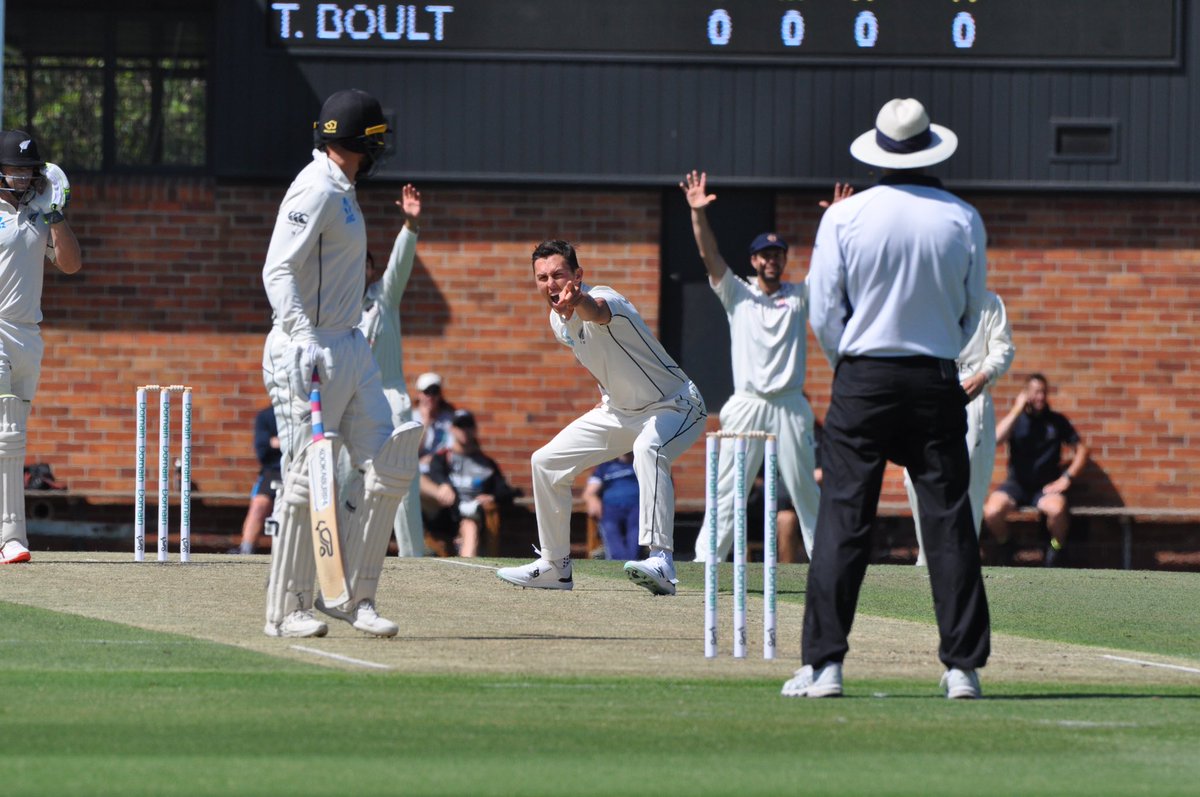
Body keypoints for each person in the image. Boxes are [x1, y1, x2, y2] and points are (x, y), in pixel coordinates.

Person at [786, 98, 990, 700]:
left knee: (844, 520)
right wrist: (938, 351)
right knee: (950, 522)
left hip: (864, 376)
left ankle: (824, 667)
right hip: (933, 375)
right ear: (929, 147)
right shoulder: (961, 217)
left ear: (878, 151)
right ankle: (962, 669)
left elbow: (824, 310)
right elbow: (973, 309)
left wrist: (850, 363)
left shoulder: (845, 218)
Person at [260, 88, 422, 638]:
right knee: (310, 476)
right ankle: (288, 606)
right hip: (310, 348)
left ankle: (354, 596)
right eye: (374, 140)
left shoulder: (343, 188)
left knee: (388, 464)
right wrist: (302, 335)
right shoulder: (316, 187)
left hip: (351, 345)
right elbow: (278, 269)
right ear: (358, 143)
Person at [496, 240, 706, 594]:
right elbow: (600, 358)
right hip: (620, 411)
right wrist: (607, 395)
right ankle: (555, 566)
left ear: (577, 276)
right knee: (545, 461)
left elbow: (597, 312)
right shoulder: (556, 321)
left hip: (676, 405)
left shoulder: (608, 299)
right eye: (542, 277)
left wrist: (579, 301)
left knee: (648, 449)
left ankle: (661, 561)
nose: (550, 283)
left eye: (559, 275)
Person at [680, 171, 821, 563]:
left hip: (790, 404)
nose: (772, 261)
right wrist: (697, 214)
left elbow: (828, 266)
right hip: (747, 403)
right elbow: (710, 256)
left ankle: (827, 564)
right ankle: (706, 563)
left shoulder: (798, 297)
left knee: (805, 489)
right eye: (765, 256)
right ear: (755, 261)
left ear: (783, 261)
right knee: (729, 489)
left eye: (778, 255)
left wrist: (836, 221)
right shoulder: (738, 294)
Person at [0, 131, 82, 565]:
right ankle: (11, 538)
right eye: (15, 168)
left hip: (28, 333)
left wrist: (54, 214)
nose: (23, 176)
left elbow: (71, 264)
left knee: (14, 436)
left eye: (30, 169)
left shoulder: (39, 211)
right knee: (6, 432)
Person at [904, 290, 1015, 565]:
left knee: (968, 488)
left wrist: (985, 374)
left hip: (972, 400)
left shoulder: (989, 302)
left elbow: (1003, 348)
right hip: (930, 399)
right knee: (914, 478)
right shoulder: (927, 296)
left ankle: (961, 561)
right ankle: (927, 556)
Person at [354, 183, 425, 557]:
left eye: (365, 263)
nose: (359, 270)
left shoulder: (383, 298)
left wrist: (409, 226)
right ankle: (346, 550)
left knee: (401, 479)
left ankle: (413, 556)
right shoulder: (334, 309)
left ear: (370, 268)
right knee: (346, 478)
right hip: (352, 403)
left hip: (390, 399)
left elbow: (399, 266)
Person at [982, 373, 1090, 567]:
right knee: (991, 512)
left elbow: (1081, 450)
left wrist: (1067, 478)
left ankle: (1056, 549)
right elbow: (995, 440)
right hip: (1016, 485)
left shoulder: (1056, 421)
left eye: (1043, 392)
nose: (1040, 397)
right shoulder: (1016, 421)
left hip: (1045, 487)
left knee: (1058, 510)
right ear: (1025, 394)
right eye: (1035, 392)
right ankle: (1006, 544)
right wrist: (1017, 409)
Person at [421, 409, 515, 557]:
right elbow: (435, 472)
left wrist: (492, 498)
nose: (464, 430)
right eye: (459, 426)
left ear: (474, 429)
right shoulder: (443, 457)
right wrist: (443, 484)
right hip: (444, 510)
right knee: (417, 480)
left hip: (471, 514)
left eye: (468, 426)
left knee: (469, 526)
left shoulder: (486, 464)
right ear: (452, 429)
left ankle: (466, 571)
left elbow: (507, 491)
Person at [230, 406, 283, 554]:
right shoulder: (266, 416)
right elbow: (262, 450)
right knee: (259, 504)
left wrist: (278, 442)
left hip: (301, 467)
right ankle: (246, 549)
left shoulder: (306, 412)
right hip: (274, 470)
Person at [582, 452, 640, 561]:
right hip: (610, 507)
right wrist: (592, 499)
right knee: (610, 527)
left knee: (635, 532)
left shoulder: (642, 465)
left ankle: (633, 560)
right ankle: (617, 560)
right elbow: (590, 492)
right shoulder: (605, 467)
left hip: (637, 507)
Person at [412, 371, 456, 464]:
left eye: (434, 392)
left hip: (441, 467)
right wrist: (425, 424)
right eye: (427, 392)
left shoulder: (449, 418)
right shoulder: (411, 417)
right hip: (417, 470)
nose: (430, 397)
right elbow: (411, 453)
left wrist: (434, 459)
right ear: (419, 394)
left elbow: (452, 449)